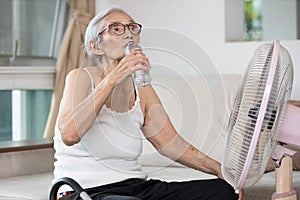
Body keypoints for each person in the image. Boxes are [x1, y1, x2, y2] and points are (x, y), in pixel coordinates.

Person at [53, 7, 244, 200]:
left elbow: (170, 144)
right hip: (84, 190)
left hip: (135, 186)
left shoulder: (142, 89)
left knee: (223, 191)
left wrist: (220, 169)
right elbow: (69, 134)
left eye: (132, 27)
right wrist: (112, 79)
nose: (128, 33)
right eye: (116, 29)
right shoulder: (80, 78)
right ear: (95, 46)